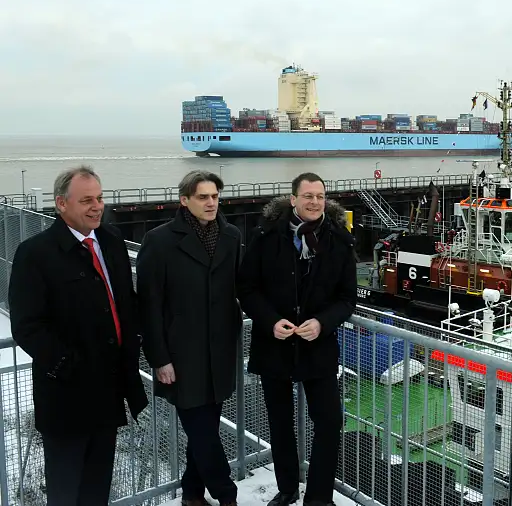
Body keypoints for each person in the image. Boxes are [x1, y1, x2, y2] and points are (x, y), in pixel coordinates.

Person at [9, 165, 148, 506]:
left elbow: (124, 303)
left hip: (110, 389)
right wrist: (66, 365)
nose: (97, 206)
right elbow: (27, 325)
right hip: (66, 397)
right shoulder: (35, 254)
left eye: (99, 198)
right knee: (66, 489)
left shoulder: (111, 240)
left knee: (97, 486)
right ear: (61, 204)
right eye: (86, 200)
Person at [237, 172, 356, 506]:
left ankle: (318, 497)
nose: (314, 202)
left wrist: (322, 322)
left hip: (317, 347)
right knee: (280, 422)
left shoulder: (339, 241)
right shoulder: (265, 237)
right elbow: (247, 288)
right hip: (274, 343)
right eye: (307, 196)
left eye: (319, 196)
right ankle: (287, 487)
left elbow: (347, 298)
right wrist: (270, 321)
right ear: (293, 199)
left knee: (330, 422)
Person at [136, 170, 243, 506]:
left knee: (204, 430)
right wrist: (159, 359)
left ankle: (192, 495)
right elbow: (149, 305)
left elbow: (241, 289)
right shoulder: (160, 240)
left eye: (215, 196)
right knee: (203, 433)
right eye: (203, 197)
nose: (211, 203)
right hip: (182, 356)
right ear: (184, 200)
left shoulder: (231, 236)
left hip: (220, 352)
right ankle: (227, 496)